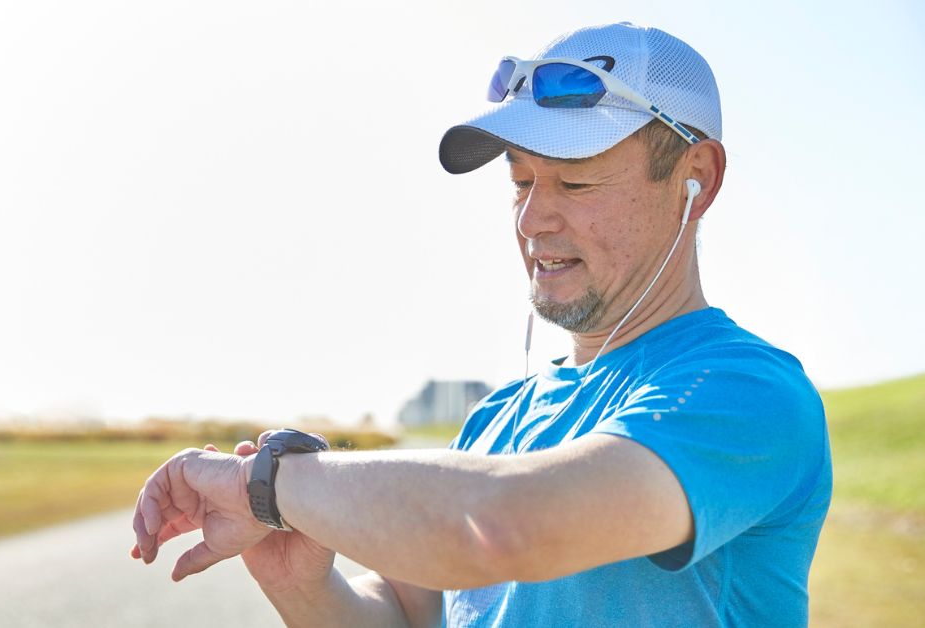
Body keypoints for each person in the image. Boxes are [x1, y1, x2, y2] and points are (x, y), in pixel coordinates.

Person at [131, 22, 832, 627]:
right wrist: (300, 580)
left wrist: (272, 484)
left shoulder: (746, 391)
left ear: (696, 179)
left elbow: (504, 525)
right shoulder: (496, 422)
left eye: (576, 182)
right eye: (521, 182)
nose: (532, 221)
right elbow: (405, 616)